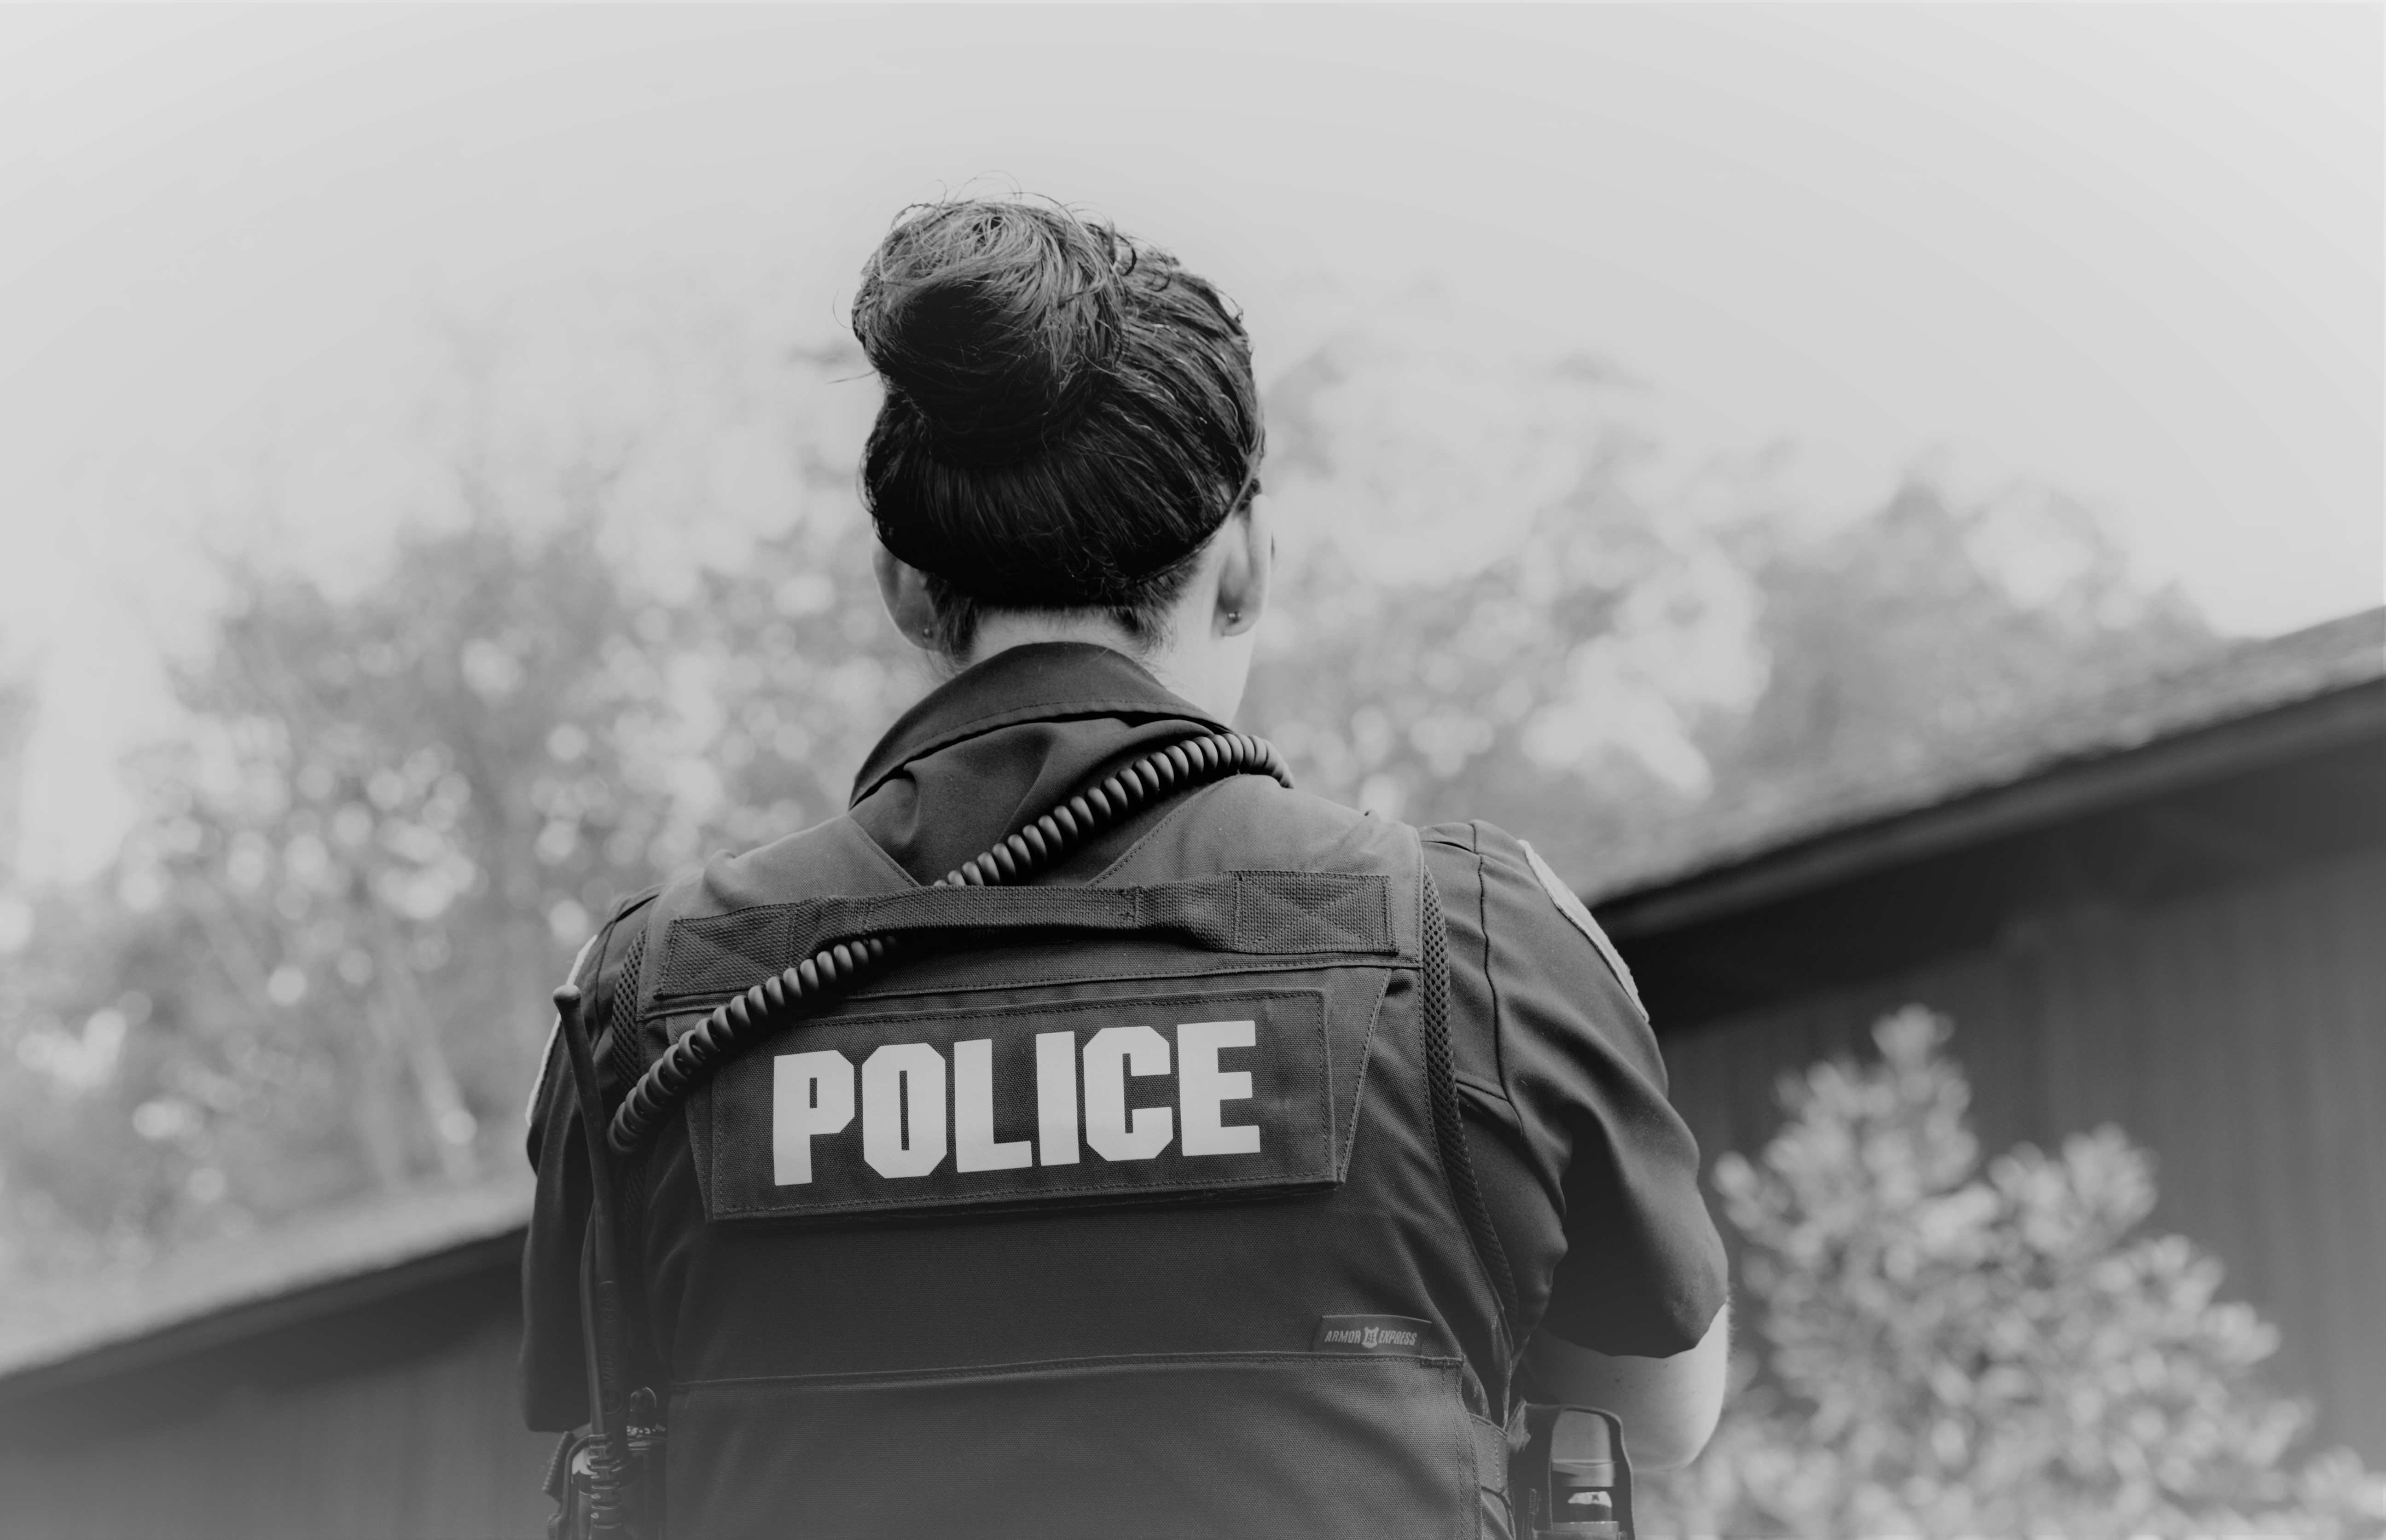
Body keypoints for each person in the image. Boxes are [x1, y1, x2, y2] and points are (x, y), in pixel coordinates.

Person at [523, 196, 1728, 1540]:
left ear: (904, 585)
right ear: (1248, 561)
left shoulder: (645, 996)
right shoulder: (1479, 945)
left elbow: (606, 1419)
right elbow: (1659, 1415)